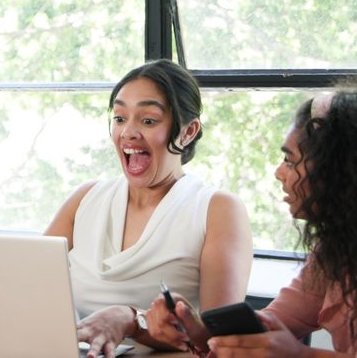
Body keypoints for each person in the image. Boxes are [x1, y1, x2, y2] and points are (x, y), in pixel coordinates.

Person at [149, 87, 357, 357]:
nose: (279, 173)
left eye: (290, 160)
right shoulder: (338, 250)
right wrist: (196, 329)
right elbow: (273, 326)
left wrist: (305, 356)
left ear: (343, 173)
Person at [44, 59, 253, 358]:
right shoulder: (85, 198)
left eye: (148, 120)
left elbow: (219, 344)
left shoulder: (217, 209)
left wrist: (131, 321)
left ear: (188, 131)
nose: (128, 133)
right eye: (119, 118)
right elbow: (28, 283)